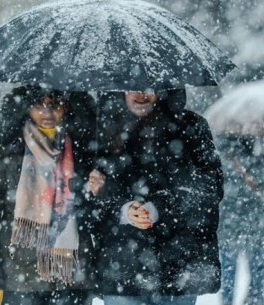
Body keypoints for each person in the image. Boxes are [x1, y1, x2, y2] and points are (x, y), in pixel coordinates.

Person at [88, 89, 224, 305]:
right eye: (133, 86)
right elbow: (84, 198)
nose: (141, 94)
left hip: (179, 266)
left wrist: (160, 208)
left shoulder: (190, 127)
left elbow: (209, 188)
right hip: (122, 268)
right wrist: (121, 208)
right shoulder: (100, 129)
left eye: (150, 86)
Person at [0, 85, 97, 305]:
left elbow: (97, 214)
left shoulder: (86, 148)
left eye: (55, 104)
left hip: (73, 278)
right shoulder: (6, 148)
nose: (47, 112)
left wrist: (93, 189)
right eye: (39, 104)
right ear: (25, 107)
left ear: (67, 106)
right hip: (20, 282)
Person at [216, 134, 264, 305]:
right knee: (257, 266)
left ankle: (228, 301)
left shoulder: (221, 153)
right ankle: (255, 300)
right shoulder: (258, 155)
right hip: (255, 221)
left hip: (230, 221)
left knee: (229, 269)